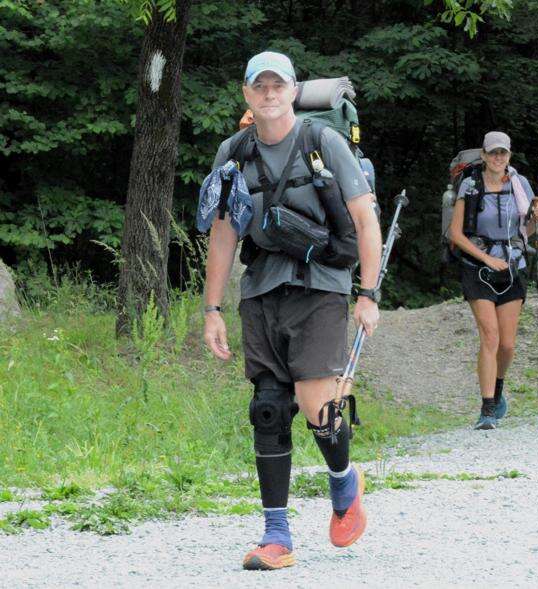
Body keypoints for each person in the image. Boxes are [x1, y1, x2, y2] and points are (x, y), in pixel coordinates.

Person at [202, 51, 382, 570]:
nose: (269, 93)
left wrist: (367, 294)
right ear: (247, 94)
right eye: (259, 86)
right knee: (268, 407)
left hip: (321, 285)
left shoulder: (322, 143)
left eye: (278, 84)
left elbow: (364, 220)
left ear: (293, 90)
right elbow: (223, 233)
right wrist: (212, 307)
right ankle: (276, 534)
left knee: (316, 405)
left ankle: (344, 480)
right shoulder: (232, 152)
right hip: (261, 288)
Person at [448, 131, 538, 430]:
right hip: (477, 267)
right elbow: (455, 234)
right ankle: (487, 408)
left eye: (503, 153)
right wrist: (486, 258)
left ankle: (499, 388)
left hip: (512, 266)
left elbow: (525, 230)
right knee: (489, 337)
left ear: (509, 156)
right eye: (493, 153)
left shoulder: (520, 185)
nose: (498, 158)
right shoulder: (471, 185)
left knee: (507, 344)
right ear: (483, 155)